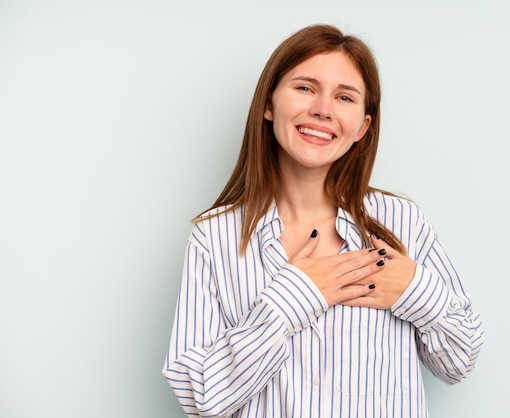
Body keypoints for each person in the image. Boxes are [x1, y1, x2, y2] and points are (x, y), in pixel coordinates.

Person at [163, 24, 484, 418]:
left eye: (345, 97)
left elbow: (459, 362)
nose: (323, 109)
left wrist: (415, 290)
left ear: (363, 127)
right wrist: (291, 300)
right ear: (268, 103)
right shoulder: (214, 237)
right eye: (304, 88)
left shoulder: (403, 223)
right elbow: (200, 398)